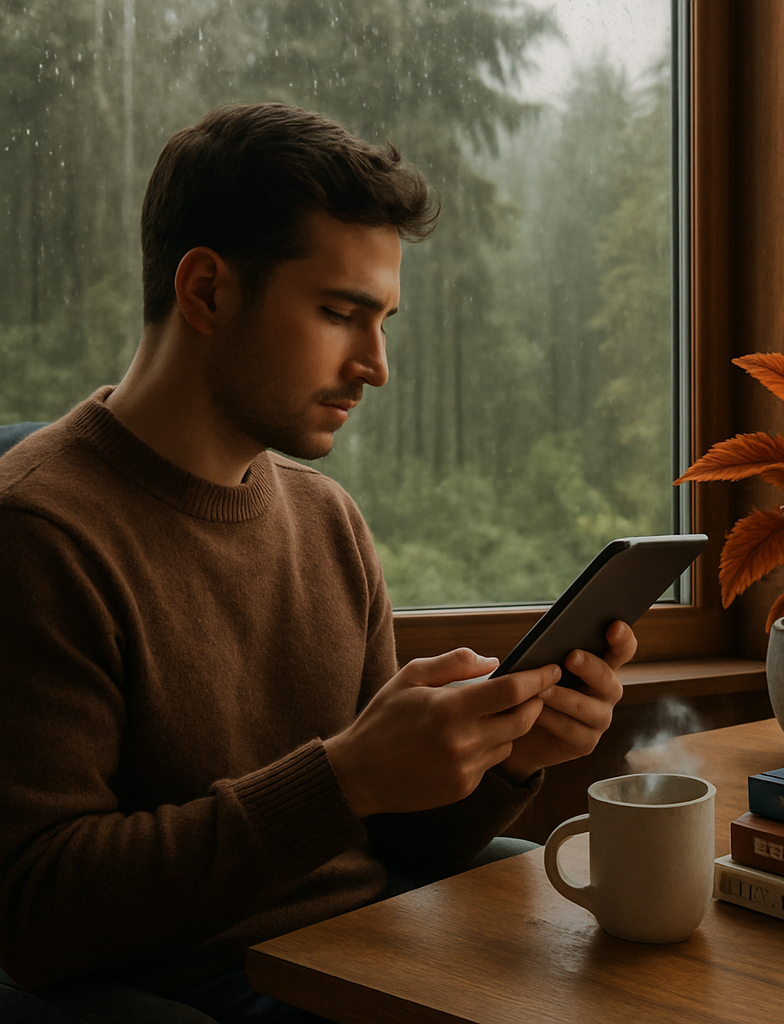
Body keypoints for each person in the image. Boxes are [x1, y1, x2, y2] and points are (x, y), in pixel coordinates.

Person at [0, 103, 636, 1022]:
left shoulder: (327, 519)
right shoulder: (37, 534)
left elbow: (387, 844)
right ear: (206, 292)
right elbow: (35, 913)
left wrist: (505, 757)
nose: (376, 365)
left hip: (377, 963)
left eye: (384, 322)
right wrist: (345, 777)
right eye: (341, 313)